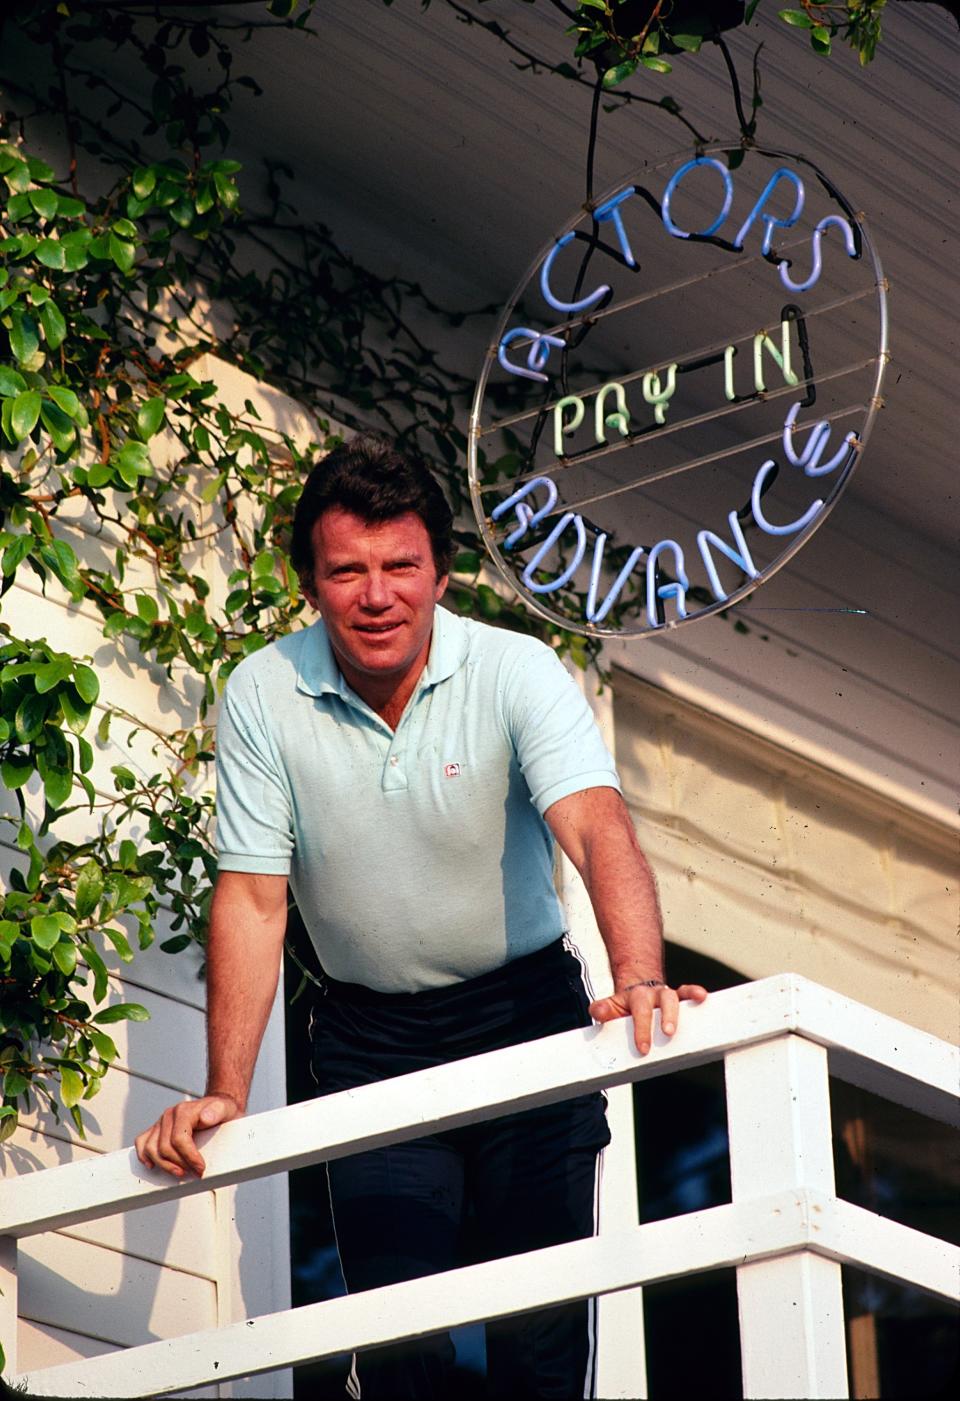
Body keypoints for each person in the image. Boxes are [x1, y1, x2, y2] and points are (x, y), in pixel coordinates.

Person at [135, 433, 707, 1399]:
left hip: (524, 1015)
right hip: (370, 1038)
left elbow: (599, 829)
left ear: (441, 574)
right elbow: (252, 896)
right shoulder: (264, 694)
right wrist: (226, 1090)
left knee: (539, 1342)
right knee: (398, 1346)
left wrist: (638, 975)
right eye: (347, 570)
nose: (377, 594)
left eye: (401, 566)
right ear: (309, 583)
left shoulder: (516, 670)